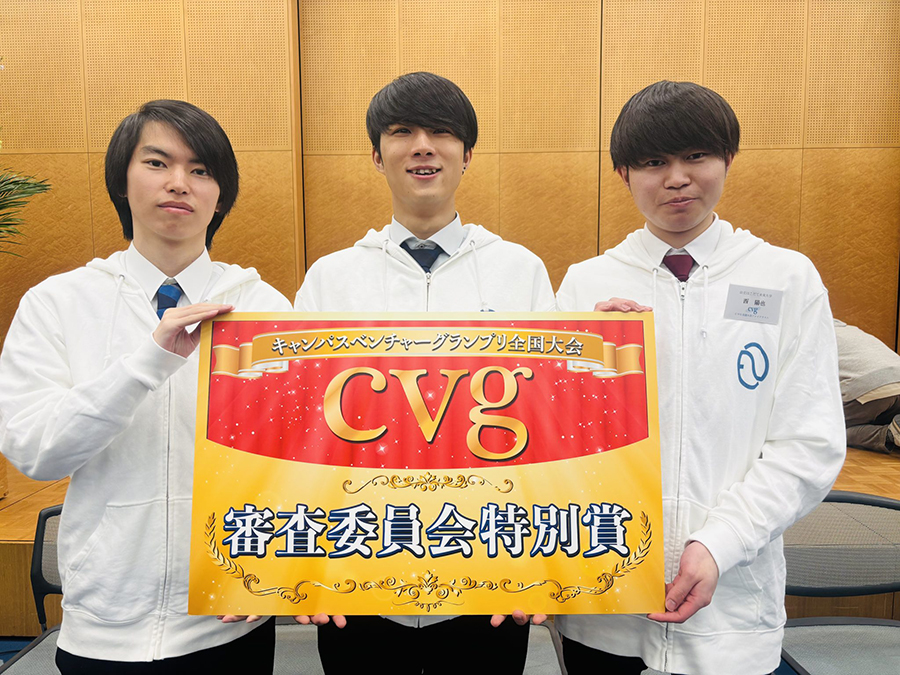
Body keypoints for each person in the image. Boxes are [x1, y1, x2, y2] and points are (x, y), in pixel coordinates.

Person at [555, 81, 846, 675]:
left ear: (728, 159)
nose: (677, 179)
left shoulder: (785, 278)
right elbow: (553, 441)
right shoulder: (586, 285)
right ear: (623, 173)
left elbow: (809, 443)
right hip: (604, 603)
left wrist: (721, 541)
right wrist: (577, 363)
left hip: (733, 602)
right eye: (653, 163)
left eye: (696, 157)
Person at [0, 100, 291, 674]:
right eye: (158, 163)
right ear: (122, 180)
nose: (179, 183)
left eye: (201, 170)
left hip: (229, 621)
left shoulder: (263, 308)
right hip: (103, 626)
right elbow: (36, 452)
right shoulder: (57, 303)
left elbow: (291, 460)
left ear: (220, 195)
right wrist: (146, 363)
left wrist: (283, 570)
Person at [294, 71, 555, 674]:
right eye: (402, 132)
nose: (422, 147)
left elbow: (546, 426)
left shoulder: (520, 270)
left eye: (441, 132)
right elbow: (303, 430)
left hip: (489, 577)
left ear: (467, 154)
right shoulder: (331, 278)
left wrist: (539, 565)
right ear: (376, 155)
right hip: (356, 577)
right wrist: (303, 565)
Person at [834, 318, 900, 456]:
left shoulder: (810, 337)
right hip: (893, 383)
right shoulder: (852, 330)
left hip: (872, 389)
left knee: (826, 430)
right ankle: (895, 427)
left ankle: (890, 434)